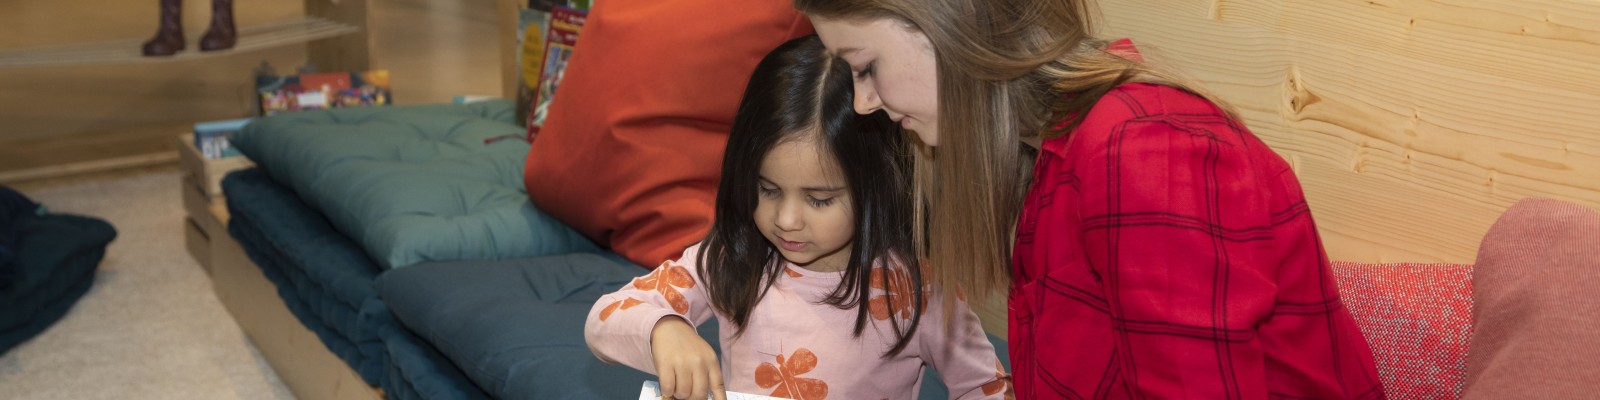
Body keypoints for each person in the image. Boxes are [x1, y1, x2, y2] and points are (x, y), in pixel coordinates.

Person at [793, 0, 1385, 398]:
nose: (865, 103)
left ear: (954, 27)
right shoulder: (1048, 160)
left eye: (865, 67)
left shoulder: (1144, 150)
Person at [585, 35, 1011, 400]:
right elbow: (605, 319)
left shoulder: (919, 290)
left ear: (876, 187)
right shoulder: (731, 257)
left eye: (820, 199)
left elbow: (985, 386)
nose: (786, 219)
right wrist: (664, 328)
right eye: (767, 190)